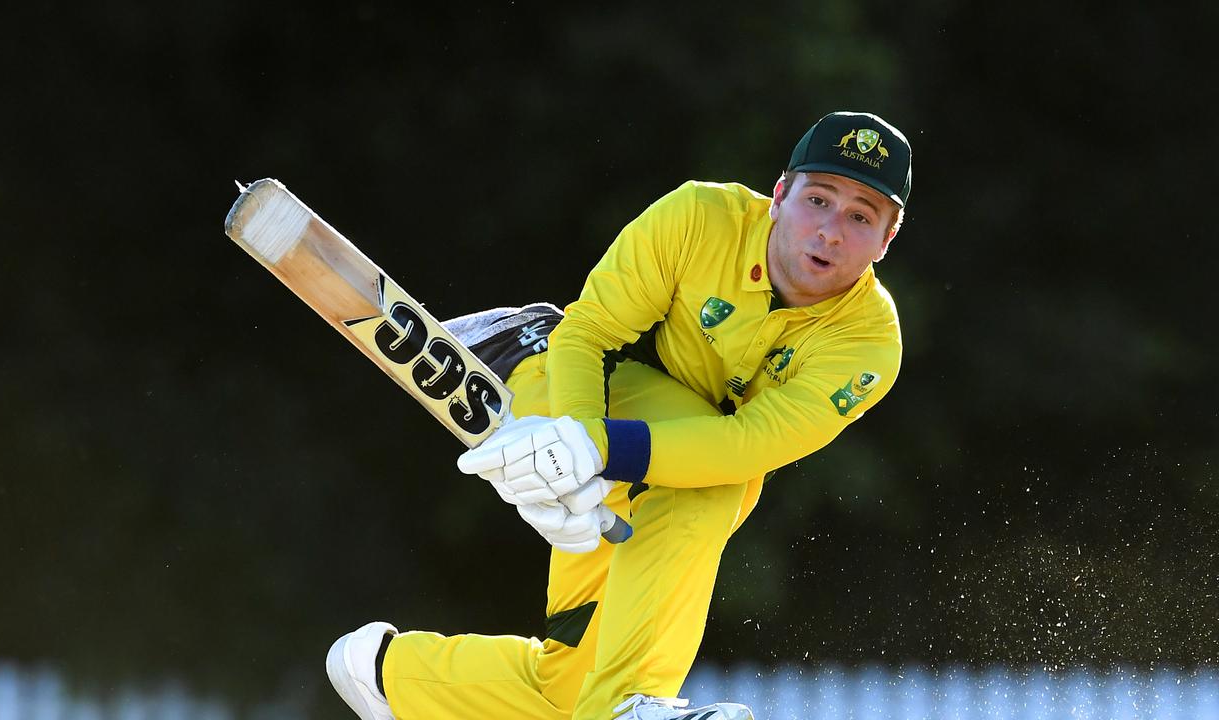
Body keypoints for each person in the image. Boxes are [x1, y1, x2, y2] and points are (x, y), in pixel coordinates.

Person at [326, 111, 912, 720]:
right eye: (818, 200)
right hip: (569, 382)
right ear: (779, 195)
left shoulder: (868, 344)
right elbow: (589, 332)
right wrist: (577, 437)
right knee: (714, 490)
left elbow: (749, 443)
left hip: (639, 469)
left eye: (861, 216)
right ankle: (631, 707)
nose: (831, 231)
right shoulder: (699, 217)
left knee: (569, 688)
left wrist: (596, 455)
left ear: (886, 240)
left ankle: (390, 675)